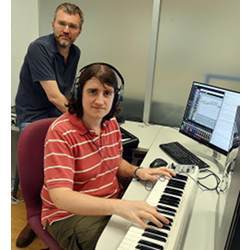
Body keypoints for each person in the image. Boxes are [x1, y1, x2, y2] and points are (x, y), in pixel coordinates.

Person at [41, 63, 175, 250]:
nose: (100, 100)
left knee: (156, 226)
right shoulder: (61, 133)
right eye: (93, 92)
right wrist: (118, 206)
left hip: (110, 203)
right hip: (67, 214)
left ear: (116, 97)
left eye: (107, 93)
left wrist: (137, 171)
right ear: (79, 94)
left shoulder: (110, 123)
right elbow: (61, 197)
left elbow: (112, 160)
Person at [14, 2, 84, 247]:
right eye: (62, 23)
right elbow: (55, 95)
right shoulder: (39, 49)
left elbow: (65, 91)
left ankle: (54, 214)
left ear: (79, 30)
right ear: (53, 24)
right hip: (33, 115)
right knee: (36, 171)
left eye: (72, 26)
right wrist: (81, 120)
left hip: (55, 112)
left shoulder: (74, 53)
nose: (66, 29)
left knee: (62, 165)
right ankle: (33, 217)